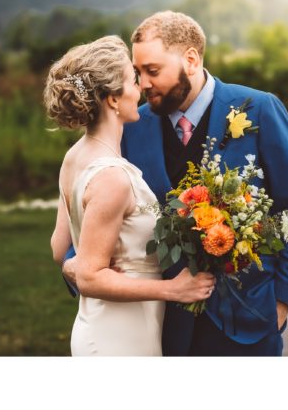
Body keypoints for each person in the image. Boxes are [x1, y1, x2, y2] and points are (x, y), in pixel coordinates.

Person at [61, 11, 288, 356]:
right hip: (161, 326)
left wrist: (284, 300)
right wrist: (74, 264)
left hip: (250, 319)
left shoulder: (259, 109)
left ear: (192, 60)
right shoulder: (131, 127)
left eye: (153, 71)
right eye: (137, 73)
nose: (144, 84)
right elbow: (93, 206)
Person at [46, 35, 216, 356]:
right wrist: (173, 289)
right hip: (119, 335)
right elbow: (91, 277)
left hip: (101, 324)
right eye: (131, 79)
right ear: (112, 99)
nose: (141, 88)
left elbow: (59, 249)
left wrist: (77, 267)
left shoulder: (75, 157)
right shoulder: (113, 177)